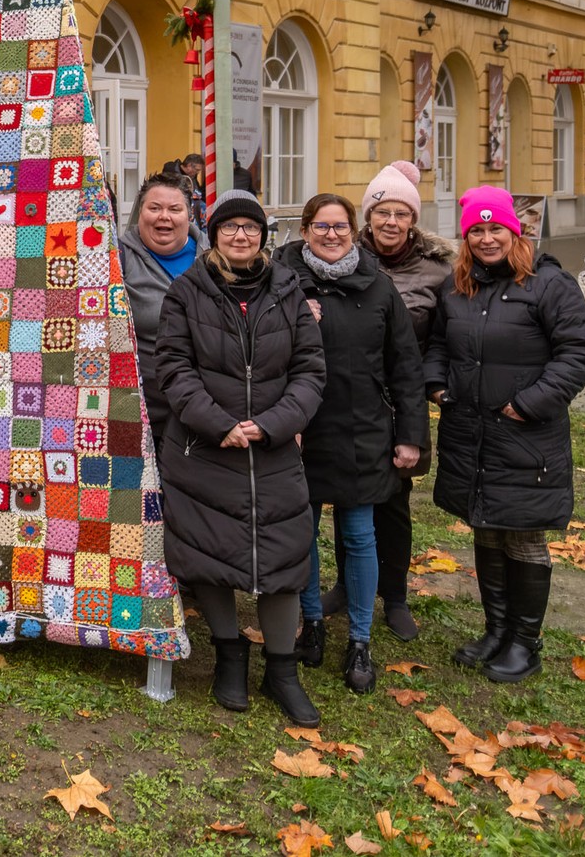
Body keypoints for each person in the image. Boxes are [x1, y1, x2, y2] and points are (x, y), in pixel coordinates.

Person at [148, 190, 327, 725]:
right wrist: (216, 423)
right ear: (214, 233)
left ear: (263, 237)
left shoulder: (288, 291)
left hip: (272, 449)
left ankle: (282, 670)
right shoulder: (187, 291)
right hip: (205, 447)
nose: (241, 236)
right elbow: (173, 366)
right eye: (230, 227)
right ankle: (229, 653)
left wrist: (274, 424)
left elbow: (311, 370)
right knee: (209, 549)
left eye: (251, 227)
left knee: (285, 556)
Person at [426, 186, 585, 683]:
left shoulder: (548, 285)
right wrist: (438, 388)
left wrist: (528, 403)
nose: (485, 238)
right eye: (475, 230)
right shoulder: (457, 287)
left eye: (494, 228)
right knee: (486, 527)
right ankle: (496, 629)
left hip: (526, 436)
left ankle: (526, 642)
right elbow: (439, 344)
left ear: (514, 231)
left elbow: (580, 353)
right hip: (471, 431)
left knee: (523, 536)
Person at [274, 194, 425, 693]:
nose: (332, 235)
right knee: (305, 533)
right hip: (302, 428)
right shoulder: (283, 281)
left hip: (363, 431)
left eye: (340, 226)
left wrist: (410, 437)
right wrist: (293, 315)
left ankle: (359, 639)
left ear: (352, 229)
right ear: (306, 229)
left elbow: (405, 366)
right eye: (321, 226)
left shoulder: (379, 287)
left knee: (359, 535)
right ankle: (312, 621)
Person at [316, 160, 453, 640]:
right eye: (382, 213)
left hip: (400, 401)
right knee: (346, 496)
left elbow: (443, 339)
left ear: (413, 219)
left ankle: (393, 596)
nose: (391, 222)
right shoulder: (343, 259)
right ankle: (345, 586)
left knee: (393, 503)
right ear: (367, 218)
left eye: (401, 213)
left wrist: (434, 384)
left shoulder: (437, 272)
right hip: (348, 400)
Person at [118, 172, 202, 397]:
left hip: (210, 407)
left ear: (189, 215)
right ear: (140, 212)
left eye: (175, 209)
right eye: (154, 208)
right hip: (146, 405)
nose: (164, 216)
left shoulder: (215, 257)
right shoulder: (116, 260)